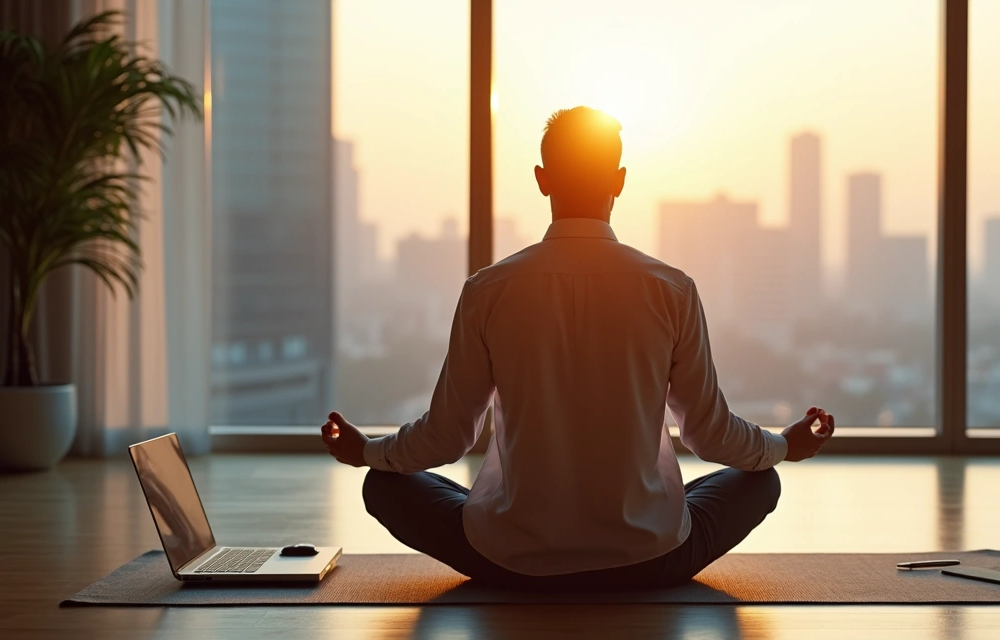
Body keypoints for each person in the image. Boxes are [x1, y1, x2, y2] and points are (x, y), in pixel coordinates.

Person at [321, 106, 835, 591]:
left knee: (383, 485)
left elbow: (447, 437)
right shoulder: (672, 289)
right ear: (619, 180)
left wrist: (367, 451)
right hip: (650, 560)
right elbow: (710, 434)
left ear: (542, 179)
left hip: (510, 562)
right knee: (760, 481)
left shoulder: (488, 290)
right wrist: (782, 446)